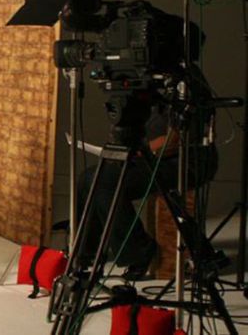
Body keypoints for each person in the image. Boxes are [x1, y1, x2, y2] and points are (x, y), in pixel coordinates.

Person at [76, 66, 218, 281]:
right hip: (148, 157)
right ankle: (86, 258)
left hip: (185, 161)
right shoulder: (145, 73)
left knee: (105, 181)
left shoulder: (185, 79)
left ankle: (138, 251)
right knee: (88, 177)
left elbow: (178, 138)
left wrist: (139, 151)